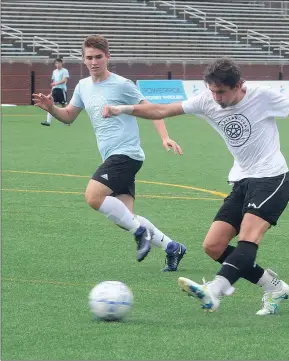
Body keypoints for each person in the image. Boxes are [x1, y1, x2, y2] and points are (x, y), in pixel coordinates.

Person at [103, 57, 289, 315]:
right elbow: (161, 111)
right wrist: (122, 109)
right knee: (213, 246)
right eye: (212, 91)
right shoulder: (206, 100)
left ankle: (214, 291)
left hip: (272, 178)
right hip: (242, 179)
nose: (216, 97)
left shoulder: (261, 96)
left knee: (249, 236)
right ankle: (274, 287)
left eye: (221, 92)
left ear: (239, 85)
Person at [32, 35, 187, 272]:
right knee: (126, 217)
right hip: (112, 157)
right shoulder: (83, 86)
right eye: (89, 58)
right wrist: (51, 108)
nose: (93, 62)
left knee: (93, 196)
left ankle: (140, 233)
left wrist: (165, 137)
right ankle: (172, 247)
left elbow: (152, 109)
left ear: (108, 57)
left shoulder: (122, 84)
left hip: (126, 154)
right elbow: (69, 117)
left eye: (98, 57)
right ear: (83, 60)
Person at [41, 58, 70, 126]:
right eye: (56, 63)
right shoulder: (54, 71)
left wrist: (56, 84)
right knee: (50, 104)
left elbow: (64, 80)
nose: (57, 64)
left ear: (61, 63)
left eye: (59, 63)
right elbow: (53, 83)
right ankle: (48, 121)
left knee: (63, 105)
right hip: (55, 90)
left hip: (61, 90)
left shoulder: (65, 71)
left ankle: (66, 121)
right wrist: (51, 92)